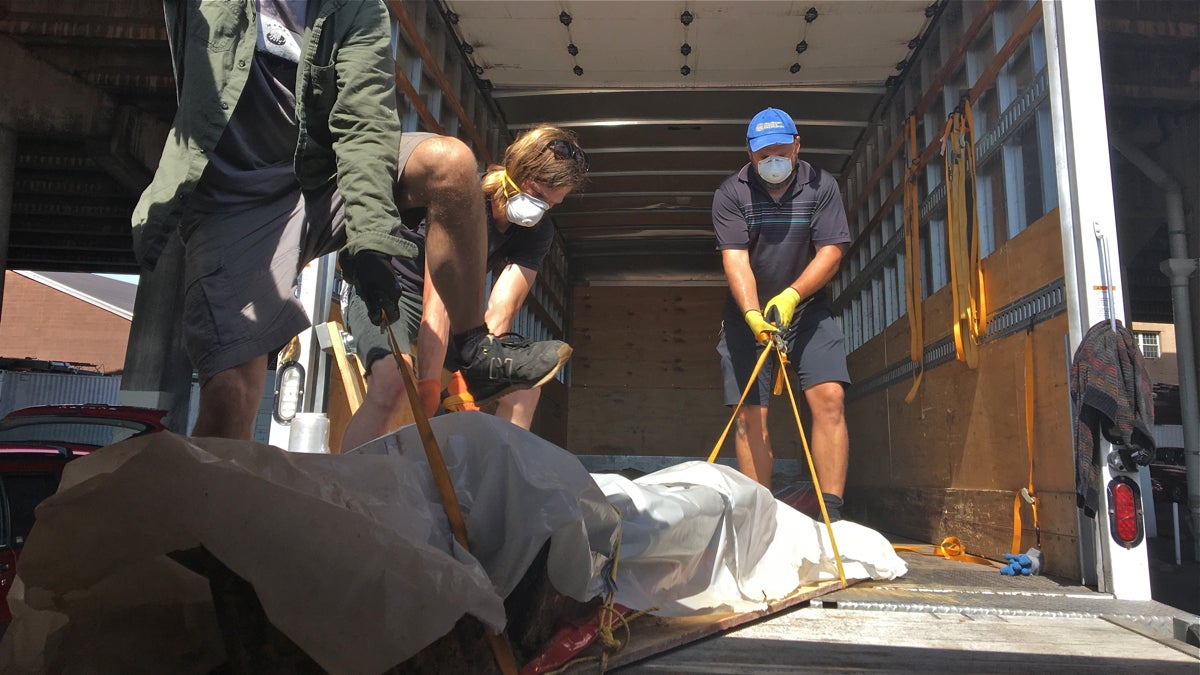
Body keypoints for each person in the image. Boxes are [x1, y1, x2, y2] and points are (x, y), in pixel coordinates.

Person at [131, 0, 568, 441]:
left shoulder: (356, 7)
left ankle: (477, 349)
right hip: (235, 199)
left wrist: (369, 236)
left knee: (451, 164)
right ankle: (212, 503)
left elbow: (364, 123)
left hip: (325, 177)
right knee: (230, 398)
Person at [340, 126, 587, 451]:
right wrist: (429, 384)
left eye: (552, 204)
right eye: (539, 196)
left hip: (447, 303)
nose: (540, 210)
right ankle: (349, 485)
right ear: (518, 172)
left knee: (524, 387)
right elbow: (437, 299)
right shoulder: (463, 200)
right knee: (392, 382)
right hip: (387, 290)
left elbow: (503, 307)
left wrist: (476, 378)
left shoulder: (537, 232)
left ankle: (495, 479)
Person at [711, 107, 853, 520]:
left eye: (780, 150)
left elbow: (831, 251)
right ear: (750, 154)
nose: (772, 160)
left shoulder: (822, 186)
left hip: (807, 309)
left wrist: (792, 295)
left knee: (830, 397)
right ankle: (760, 515)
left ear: (797, 145)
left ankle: (831, 514)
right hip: (747, 315)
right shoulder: (730, 194)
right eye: (762, 153)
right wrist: (753, 314)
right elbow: (735, 260)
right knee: (750, 413)